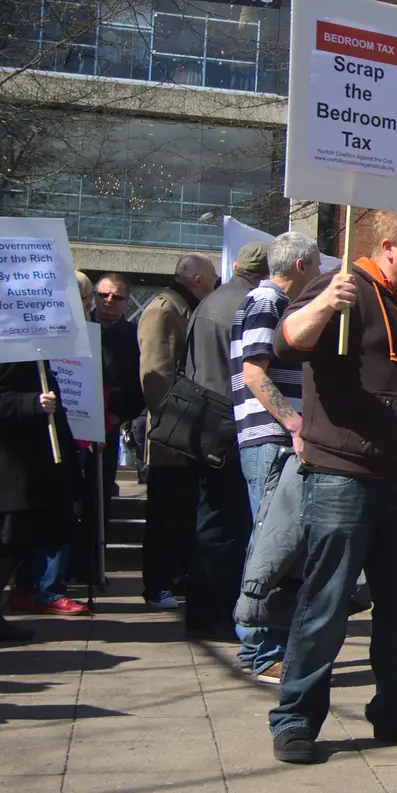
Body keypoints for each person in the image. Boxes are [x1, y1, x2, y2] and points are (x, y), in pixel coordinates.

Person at [266, 211, 397, 763]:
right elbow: (285, 344)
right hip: (342, 480)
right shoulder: (342, 286)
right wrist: (327, 303)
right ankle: (296, 718)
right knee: (325, 603)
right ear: (389, 247)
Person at [231, 232, 321, 682]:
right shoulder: (268, 302)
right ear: (302, 266)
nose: (321, 275)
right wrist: (294, 423)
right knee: (272, 541)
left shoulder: (263, 301)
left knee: (276, 539)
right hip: (271, 438)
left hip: (270, 438)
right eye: (318, 267)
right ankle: (262, 649)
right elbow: (253, 371)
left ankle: (265, 646)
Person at [184, 243, 268, 639]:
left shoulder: (208, 302)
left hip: (205, 424)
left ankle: (203, 612)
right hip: (231, 426)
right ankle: (219, 613)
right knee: (231, 524)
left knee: (211, 519)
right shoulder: (249, 305)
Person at [9, 275, 97, 617]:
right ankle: (34, 587)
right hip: (38, 438)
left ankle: (45, 587)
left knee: (60, 513)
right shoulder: (31, 335)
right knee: (43, 515)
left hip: (72, 431)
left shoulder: (83, 334)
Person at [138, 251, 218, 611]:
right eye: (212, 280)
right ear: (197, 280)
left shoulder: (186, 308)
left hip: (190, 435)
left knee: (184, 512)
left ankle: (178, 577)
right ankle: (157, 584)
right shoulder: (163, 309)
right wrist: (169, 431)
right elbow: (155, 371)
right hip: (173, 436)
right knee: (164, 515)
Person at [0, 357, 79, 644]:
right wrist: (31, 403)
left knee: (16, 545)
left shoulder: (32, 350)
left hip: (28, 472)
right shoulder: (5, 351)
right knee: (2, 545)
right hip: (9, 473)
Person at [95, 273, 144, 500]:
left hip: (108, 423)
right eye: (103, 295)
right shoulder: (77, 330)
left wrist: (118, 416)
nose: (108, 301)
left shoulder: (133, 337)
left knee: (100, 491)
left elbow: (137, 386)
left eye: (116, 297)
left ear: (126, 301)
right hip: (73, 422)